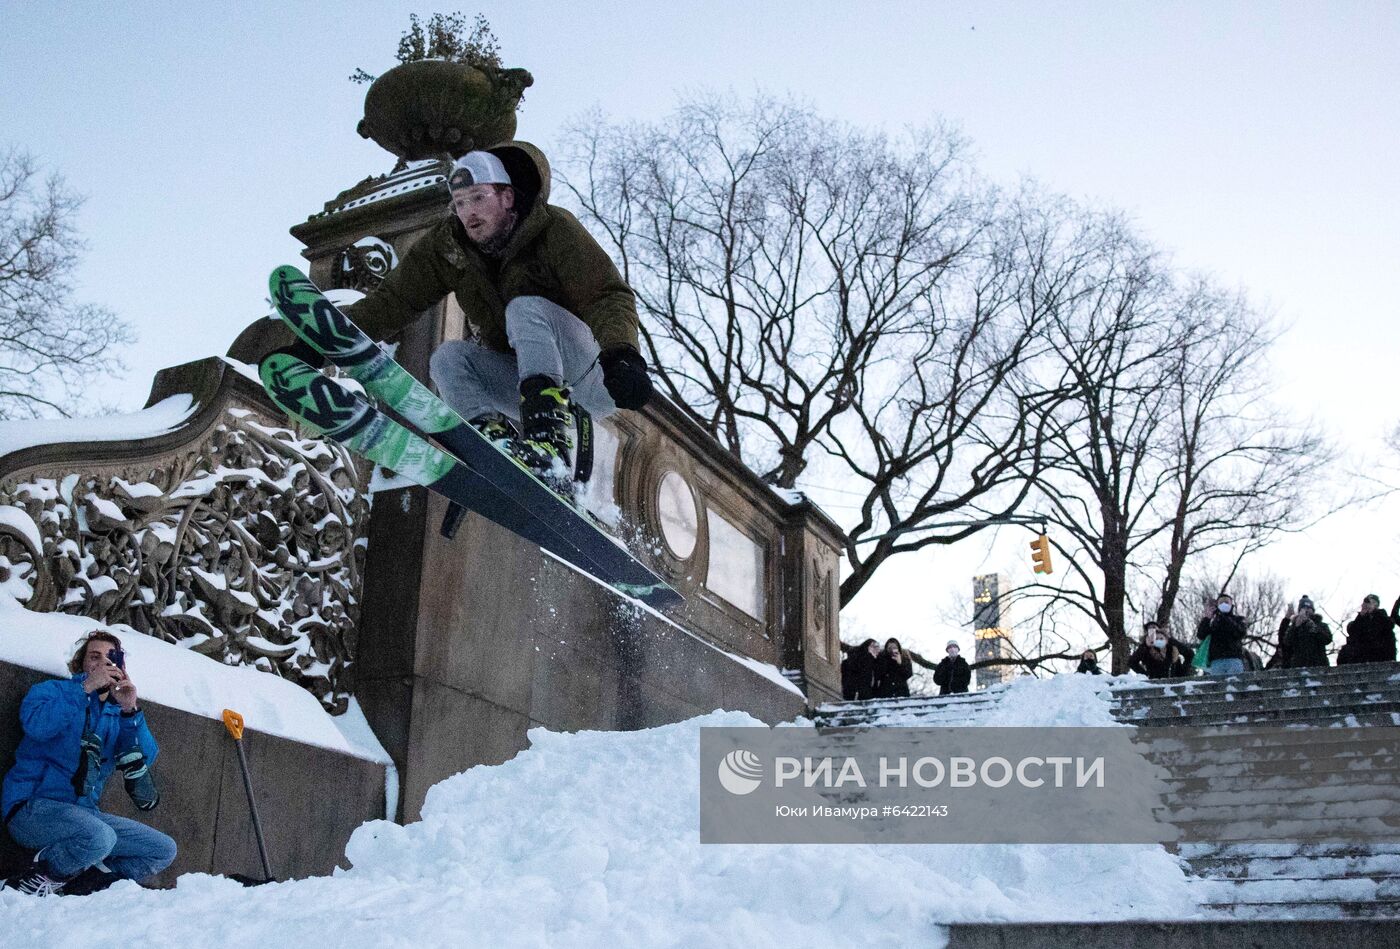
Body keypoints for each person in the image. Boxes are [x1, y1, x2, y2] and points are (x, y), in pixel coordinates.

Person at [289, 145, 653, 504]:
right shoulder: (448, 246)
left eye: (478, 198)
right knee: (447, 359)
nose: (469, 214)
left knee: (523, 308)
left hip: (591, 373)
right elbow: (394, 302)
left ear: (507, 197)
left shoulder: (554, 229)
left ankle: (549, 444)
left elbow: (605, 294)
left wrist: (622, 354)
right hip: (526, 382)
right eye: (460, 203)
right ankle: (499, 446)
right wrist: (324, 342)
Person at [2, 631, 174, 897]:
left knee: (162, 849)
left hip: (85, 814)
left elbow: (145, 757)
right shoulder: (53, 691)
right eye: (95, 657)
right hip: (31, 808)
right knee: (99, 837)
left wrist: (130, 710)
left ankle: (82, 888)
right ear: (81, 663)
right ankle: (34, 876)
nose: (104, 664)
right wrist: (84, 688)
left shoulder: (117, 713)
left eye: (111, 658)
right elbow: (37, 726)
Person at [1195, 593, 1247, 677]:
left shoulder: (1238, 620)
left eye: (1226, 602)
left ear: (1231, 605)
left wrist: (1224, 617)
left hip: (1234, 659)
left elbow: (1241, 633)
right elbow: (1201, 635)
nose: (1224, 605)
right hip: (1216, 660)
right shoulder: (1212, 622)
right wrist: (1207, 619)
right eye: (1221, 603)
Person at [1339, 594, 1397, 665]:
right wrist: (1360, 616)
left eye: (1371, 603)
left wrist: (1375, 612)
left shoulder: (1382, 616)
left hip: (1381, 652)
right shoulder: (1361, 619)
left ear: (1376, 605)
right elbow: (1352, 632)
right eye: (1366, 603)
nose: (1367, 605)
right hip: (1364, 653)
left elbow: (1389, 625)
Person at [1128, 622, 1194, 679]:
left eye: (1154, 627)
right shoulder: (1145, 648)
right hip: (1156, 684)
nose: (1153, 631)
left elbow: (1190, 654)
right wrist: (1146, 675)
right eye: (1150, 629)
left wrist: (1183, 673)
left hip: (1175, 682)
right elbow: (1132, 662)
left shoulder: (1172, 646)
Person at [1281, 597, 1332, 669]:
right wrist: (1295, 627)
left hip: (1319, 664)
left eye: (1309, 608)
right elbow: (1287, 642)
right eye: (1304, 608)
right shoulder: (1294, 626)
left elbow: (1328, 639)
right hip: (1299, 665)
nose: (1306, 610)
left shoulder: (1321, 625)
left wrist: (1314, 629)